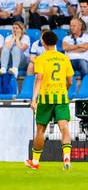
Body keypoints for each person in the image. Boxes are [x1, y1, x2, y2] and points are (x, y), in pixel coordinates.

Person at [26, 31, 73, 171]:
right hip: (61, 97)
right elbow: (70, 80)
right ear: (56, 42)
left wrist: (34, 100)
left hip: (46, 99)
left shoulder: (40, 59)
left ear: (44, 43)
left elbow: (39, 79)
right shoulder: (64, 58)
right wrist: (63, 89)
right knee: (64, 127)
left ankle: (35, 162)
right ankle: (66, 157)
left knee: (41, 129)